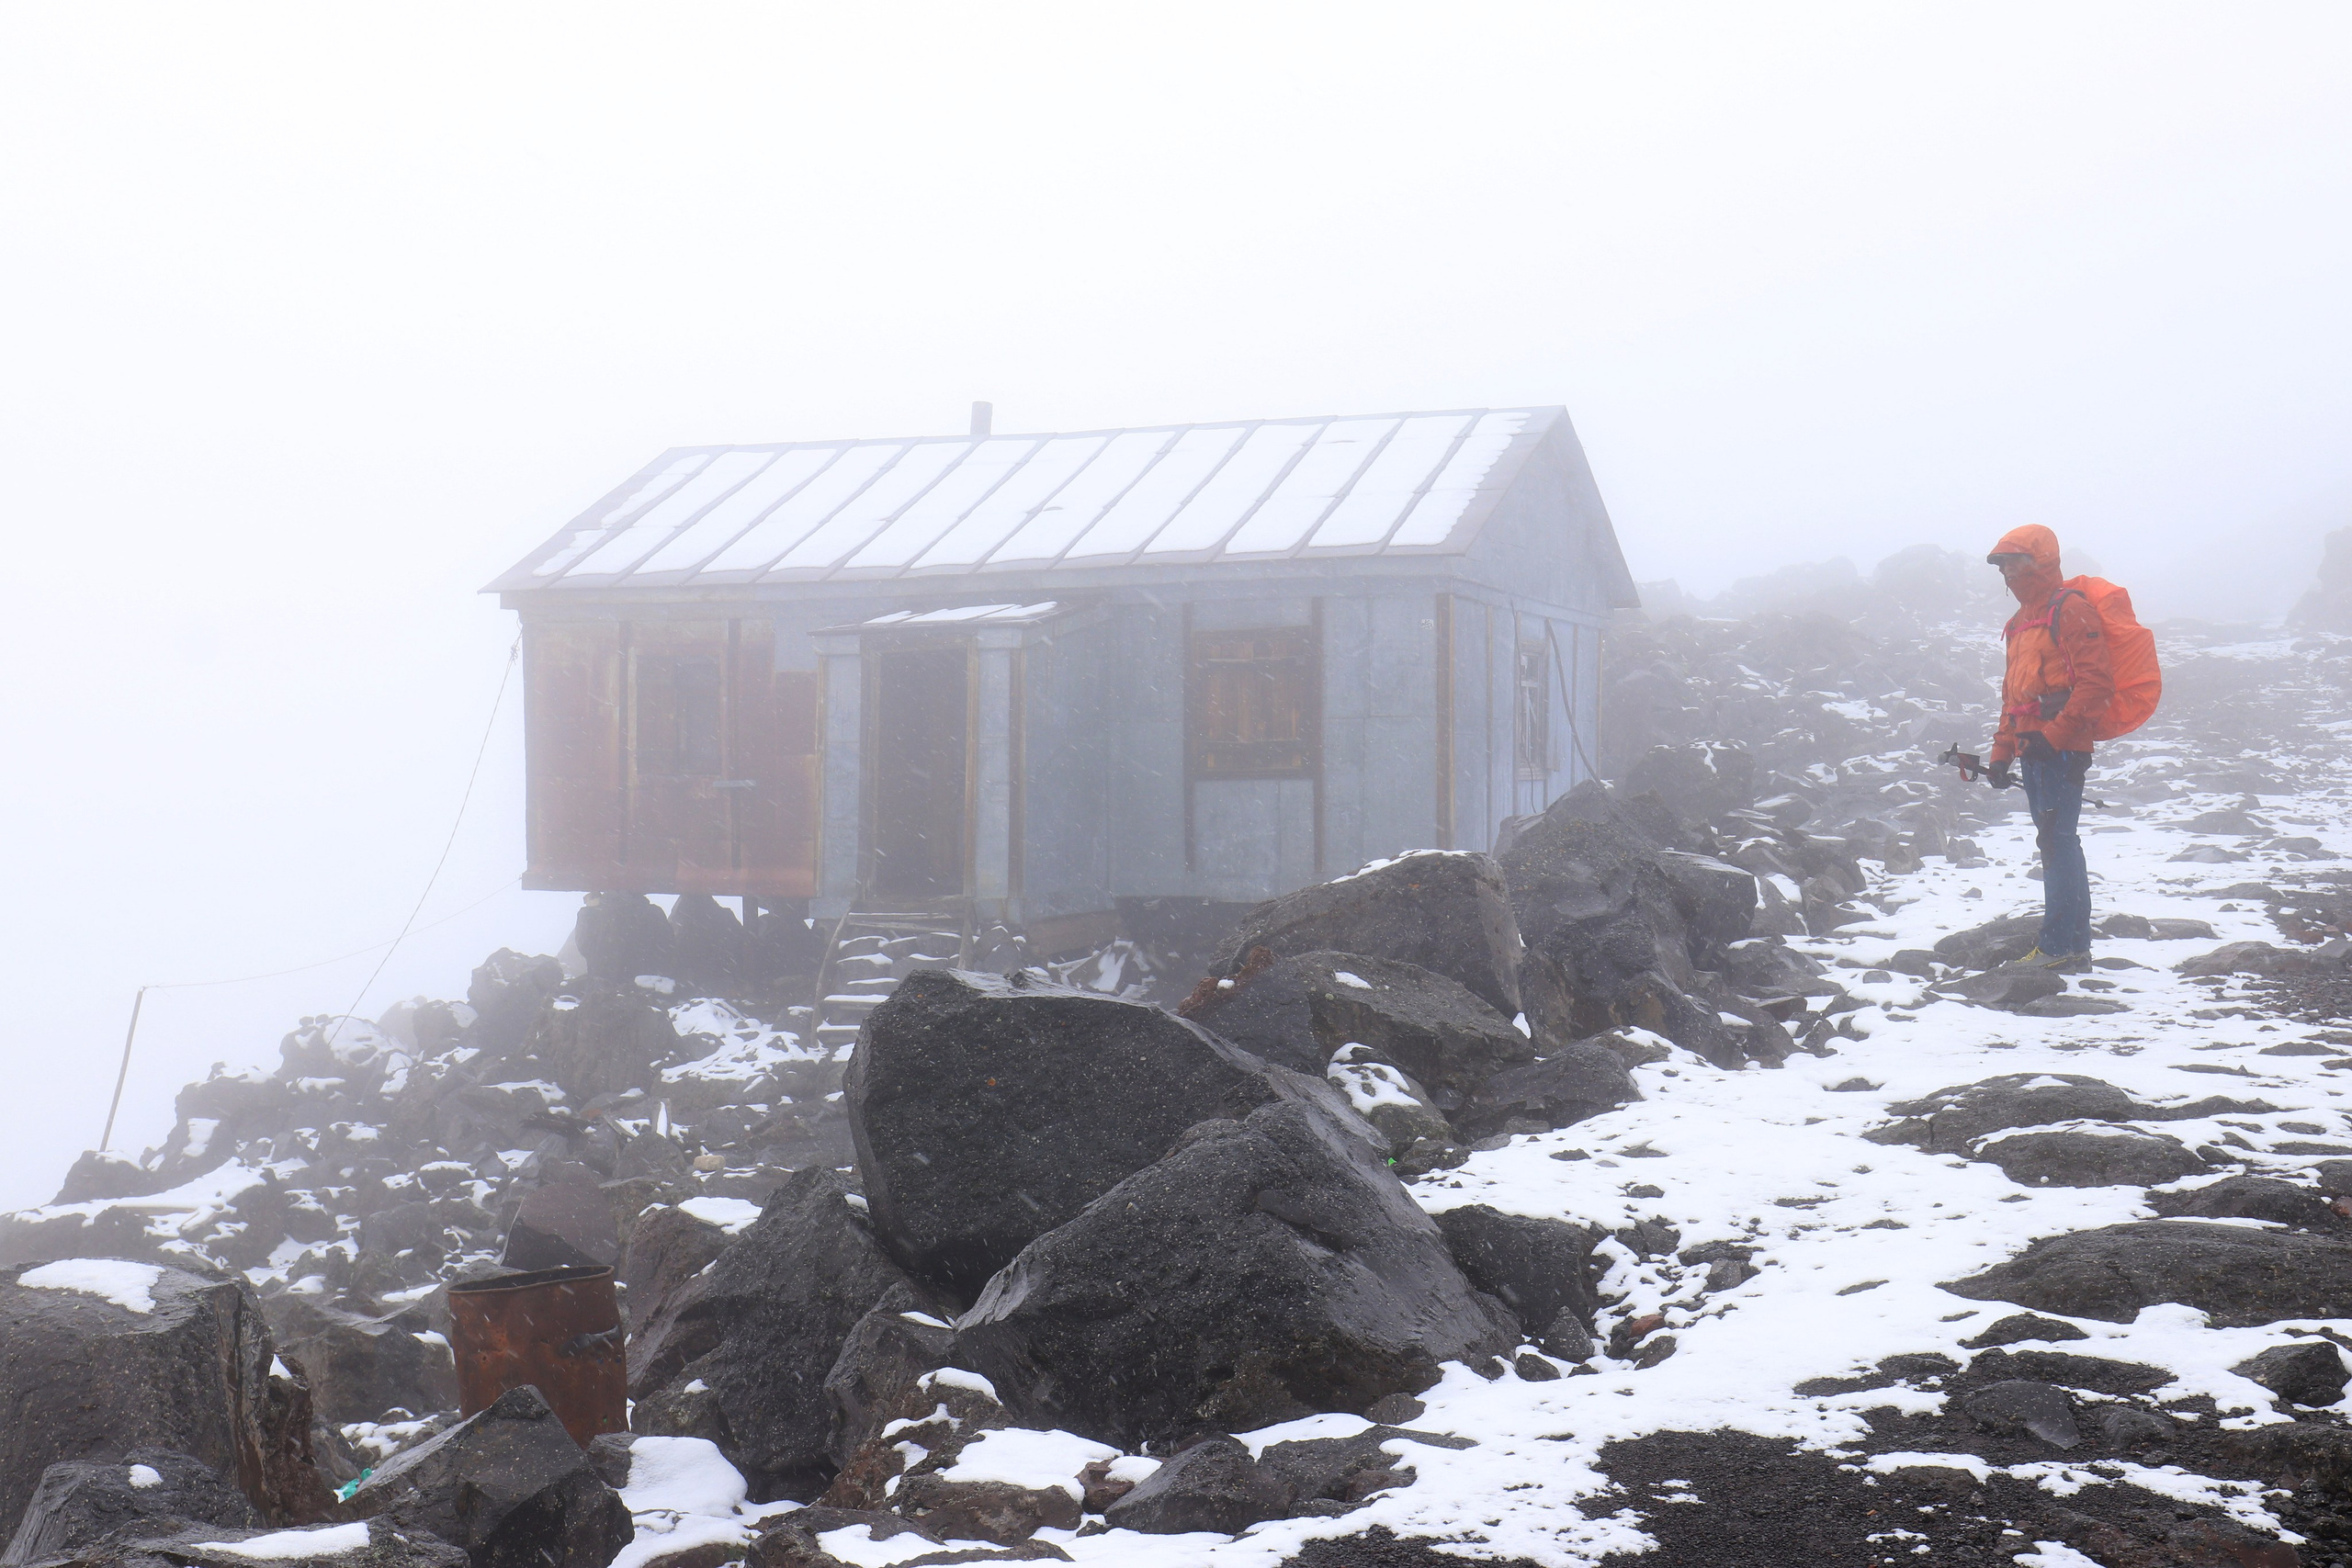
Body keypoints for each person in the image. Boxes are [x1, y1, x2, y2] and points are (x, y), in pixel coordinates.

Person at [1983, 525, 2114, 970]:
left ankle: (2059, 948)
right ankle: (2073, 947)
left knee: (2056, 843)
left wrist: (2052, 738)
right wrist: (2002, 754)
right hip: (2033, 750)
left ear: (2040, 562)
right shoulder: (2019, 623)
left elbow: (2096, 684)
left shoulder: (2070, 610)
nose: (2007, 573)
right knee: (2058, 842)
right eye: (2002, 566)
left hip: (2061, 750)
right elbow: (2013, 699)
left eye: (2014, 562)